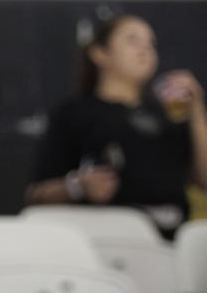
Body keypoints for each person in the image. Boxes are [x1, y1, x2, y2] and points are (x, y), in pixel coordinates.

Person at [26, 13, 207, 235]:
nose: (146, 49)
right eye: (133, 40)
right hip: (110, 239)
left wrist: (197, 108)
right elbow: (36, 194)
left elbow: (203, 178)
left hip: (174, 240)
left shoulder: (168, 114)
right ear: (99, 53)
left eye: (151, 43)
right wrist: (77, 186)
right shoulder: (74, 113)